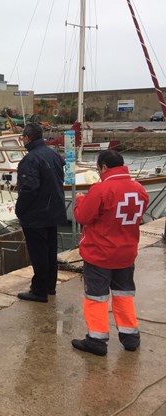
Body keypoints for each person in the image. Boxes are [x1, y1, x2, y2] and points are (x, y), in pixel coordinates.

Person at [71, 150, 148, 356]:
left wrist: (79, 200)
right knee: (124, 295)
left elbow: (83, 217)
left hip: (100, 254)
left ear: (104, 167)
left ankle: (96, 340)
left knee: (96, 297)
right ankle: (130, 337)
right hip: (126, 253)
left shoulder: (101, 189)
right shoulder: (139, 189)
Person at [15, 122, 67, 303]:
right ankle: (50, 286)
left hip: (36, 214)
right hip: (53, 211)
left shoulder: (30, 160)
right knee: (50, 252)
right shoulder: (53, 154)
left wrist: (19, 209)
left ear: (27, 138)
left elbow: (29, 189)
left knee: (38, 253)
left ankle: (39, 290)